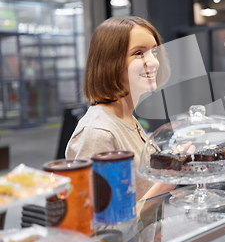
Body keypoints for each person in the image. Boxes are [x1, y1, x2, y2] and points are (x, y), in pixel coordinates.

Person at [65, 17, 178, 203]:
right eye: (139, 53)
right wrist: (167, 182)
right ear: (110, 63)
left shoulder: (127, 119)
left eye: (154, 52)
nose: (153, 62)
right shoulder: (99, 133)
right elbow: (103, 225)